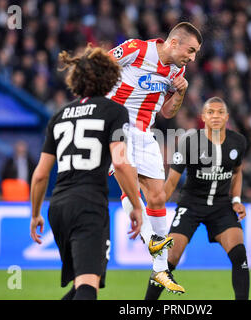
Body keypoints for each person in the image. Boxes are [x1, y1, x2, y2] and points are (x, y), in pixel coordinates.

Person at [29, 44, 142, 300]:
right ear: (110, 77)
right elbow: (121, 163)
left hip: (58, 207)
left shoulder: (59, 115)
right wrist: (137, 205)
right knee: (88, 288)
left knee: (82, 284)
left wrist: (35, 214)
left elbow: (40, 175)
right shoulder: (114, 111)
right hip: (89, 205)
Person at [106, 22, 202, 294]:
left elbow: (169, 113)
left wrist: (180, 91)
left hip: (145, 133)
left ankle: (159, 269)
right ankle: (154, 245)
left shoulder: (177, 70)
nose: (192, 57)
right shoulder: (136, 49)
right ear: (174, 43)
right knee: (130, 182)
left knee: (158, 196)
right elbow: (100, 67)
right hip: (114, 125)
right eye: (191, 50)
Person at [144, 97, 250, 300]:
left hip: (221, 206)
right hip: (191, 205)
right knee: (170, 259)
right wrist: (155, 209)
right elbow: (172, 182)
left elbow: (237, 172)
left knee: (239, 255)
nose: (216, 116)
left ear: (227, 117)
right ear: (203, 117)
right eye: (211, 112)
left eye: (220, 112)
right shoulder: (190, 141)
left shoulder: (238, 142)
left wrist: (236, 199)